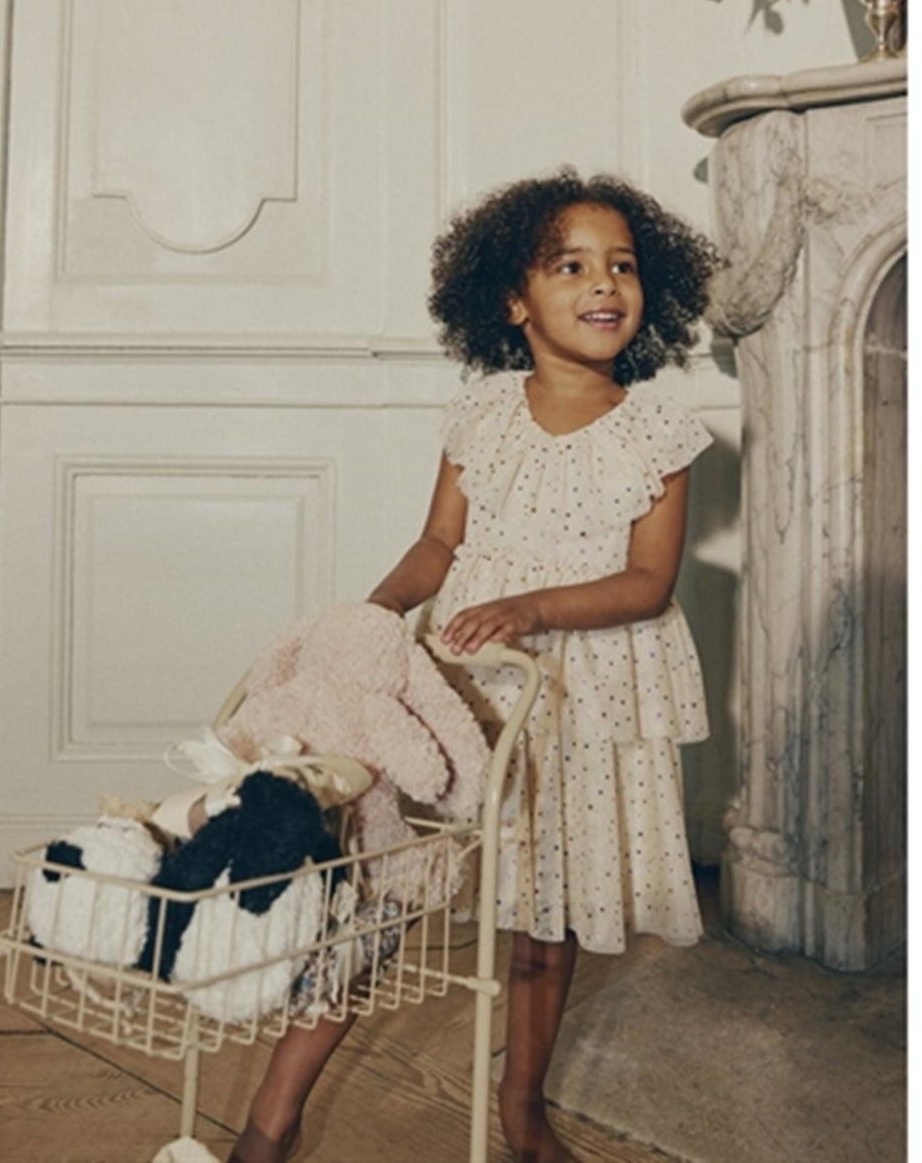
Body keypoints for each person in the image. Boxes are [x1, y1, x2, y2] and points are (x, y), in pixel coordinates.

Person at [228, 169, 720, 1163]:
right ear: (512, 300)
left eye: (622, 266)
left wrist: (533, 608)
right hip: (465, 686)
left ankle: (520, 1108)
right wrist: (374, 616)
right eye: (570, 266)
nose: (604, 283)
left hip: (581, 698)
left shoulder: (657, 436)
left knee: (546, 916)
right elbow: (438, 545)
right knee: (376, 886)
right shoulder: (484, 415)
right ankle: (272, 1119)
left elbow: (648, 582)